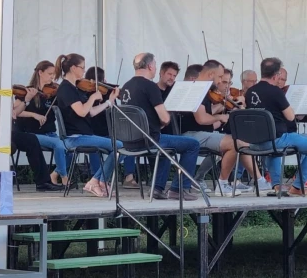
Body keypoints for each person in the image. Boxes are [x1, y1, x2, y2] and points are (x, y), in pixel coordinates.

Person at [0, 59, 63, 192]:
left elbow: (15, 113)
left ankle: (43, 182)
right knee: (10, 146)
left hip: (0, 131)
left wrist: (26, 101)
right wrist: (1, 112)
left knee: (31, 140)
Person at [180, 60, 270, 196]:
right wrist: (221, 117)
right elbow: (201, 119)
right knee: (235, 143)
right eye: (220, 77)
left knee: (241, 142)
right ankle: (223, 185)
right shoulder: (197, 89)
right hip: (191, 134)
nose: (220, 81)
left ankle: (259, 181)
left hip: (200, 132)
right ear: (211, 74)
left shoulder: (202, 89)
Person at [120, 53, 200, 201]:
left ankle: (157, 189)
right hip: (149, 140)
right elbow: (164, 118)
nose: (155, 68)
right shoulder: (150, 86)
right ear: (150, 66)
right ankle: (178, 189)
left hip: (129, 142)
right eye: (155, 65)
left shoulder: (126, 86)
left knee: (165, 149)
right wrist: (165, 120)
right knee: (193, 145)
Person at [245, 58, 307, 197]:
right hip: (275, 141)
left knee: (274, 146)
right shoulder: (276, 92)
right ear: (276, 75)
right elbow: (290, 117)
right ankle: (297, 186)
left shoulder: (250, 91)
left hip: (254, 143)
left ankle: (277, 185)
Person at [54, 53, 122, 197]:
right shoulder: (66, 88)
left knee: (119, 147)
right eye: (82, 68)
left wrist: (109, 102)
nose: (84, 71)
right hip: (75, 137)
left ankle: (99, 181)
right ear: (73, 68)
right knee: (120, 146)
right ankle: (96, 181)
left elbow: (91, 112)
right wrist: (92, 97)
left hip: (83, 135)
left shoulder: (74, 88)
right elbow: (82, 111)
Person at [16, 60, 70, 186]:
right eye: (50, 74)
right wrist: (33, 114)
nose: (52, 77)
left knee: (69, 147)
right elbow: (16, 112)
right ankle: (64, 178)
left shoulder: (53, 93)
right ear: (40, 72)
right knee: (58, 144)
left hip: (50, 133)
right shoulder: (27, 91)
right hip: (33, 134)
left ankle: (54, 175)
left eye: (54, 74)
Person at [84, 66, 139, 189]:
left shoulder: (107, 92)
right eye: (103, 79)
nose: (105, 81)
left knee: (128, 143)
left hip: (109, 131)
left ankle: (129, 176)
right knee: (94, 148)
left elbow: (115, 112)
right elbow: (90, 113)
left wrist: (112, 100)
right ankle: (96, 177)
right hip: (93, 131)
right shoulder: (85, 94)